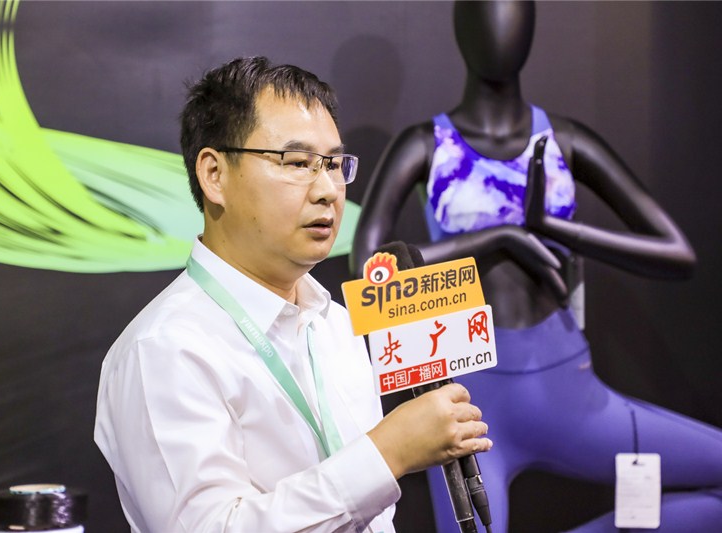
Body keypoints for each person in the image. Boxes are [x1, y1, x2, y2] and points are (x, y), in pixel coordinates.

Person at [352, 2, 722, 532]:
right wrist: (503, 237)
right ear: (460, 26)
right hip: (469, 406)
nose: (500, 25)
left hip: (570, 393)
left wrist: (557, 228)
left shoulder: (565, 141)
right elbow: (371, 273)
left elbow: (676, 253)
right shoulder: (424, 146)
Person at [94, 56, 492, 533]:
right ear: (214, 175)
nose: (328, 190)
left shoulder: (336, 322)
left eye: (334, 164)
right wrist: (389, 452)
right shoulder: (164, 349)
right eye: (298, 163)